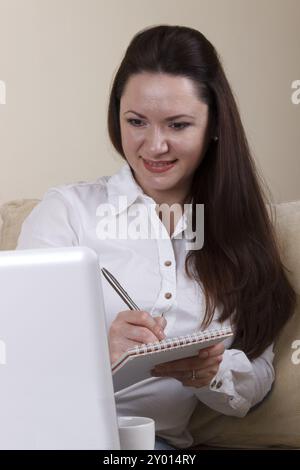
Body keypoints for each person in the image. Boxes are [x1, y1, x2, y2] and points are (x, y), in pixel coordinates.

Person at [16, 25, 296, 449]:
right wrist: (95, 349)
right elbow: (15, 355)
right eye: (136, 122)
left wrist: (213, 373)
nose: (154, 145)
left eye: (178, 125)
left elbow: (256, 372)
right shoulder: (68, 213)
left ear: (214, 126)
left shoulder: (239, 234)